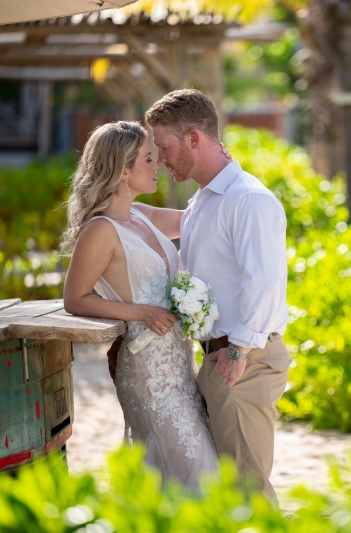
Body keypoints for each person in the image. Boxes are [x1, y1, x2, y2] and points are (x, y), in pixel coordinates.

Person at [145, 89, 291, 505]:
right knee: (228, 490)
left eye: (166, 148)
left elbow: (263, 281)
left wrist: (238, 350)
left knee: (249, 490)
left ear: (194, 139)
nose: (162, 160)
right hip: (219, 359)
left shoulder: (249, 199)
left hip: (242, 362)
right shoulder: (204, 200)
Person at [61, 120, 218, 491]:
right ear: (123, 171)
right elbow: (74, 299)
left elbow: (199, 222)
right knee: (201, 477)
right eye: (149, 159)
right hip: (148, 376)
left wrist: (228, 183)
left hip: (180, 368)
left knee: (184, 480)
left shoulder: (141, 215)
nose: (158, 164)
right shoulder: (99, 231)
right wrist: (142, 312)